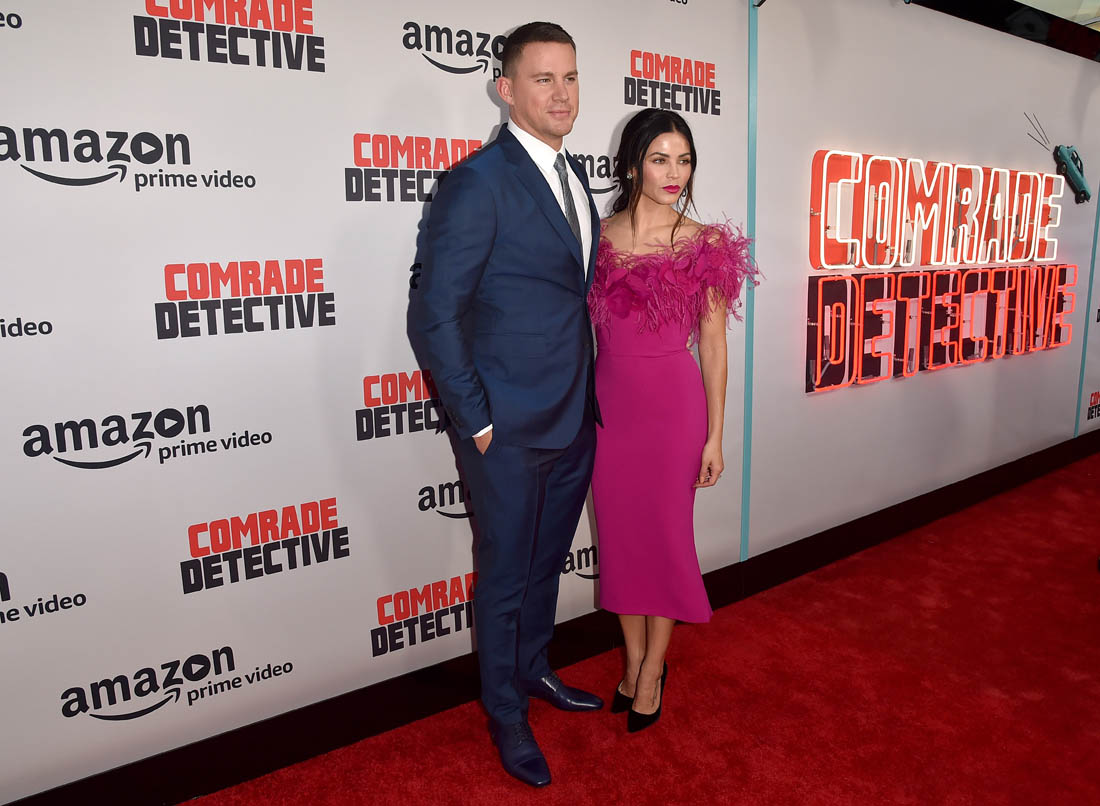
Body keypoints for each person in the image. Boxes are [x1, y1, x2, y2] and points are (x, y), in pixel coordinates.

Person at [407, 22, 602, 788]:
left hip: (573, 417)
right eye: (543, 78)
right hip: (508, 432)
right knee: (505, 578)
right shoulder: (478, 182)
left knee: (546, 565)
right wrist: (479, 423)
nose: (561, 93)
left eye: (570, 77)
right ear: (506, 89)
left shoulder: (573, 175)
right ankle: (506, 714)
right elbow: (434, 315)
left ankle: (533, 669)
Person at [587, 108, 756, 732]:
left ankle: (655, 667)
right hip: (610, 409)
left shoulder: (703, 243)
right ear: (632, 165)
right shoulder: (596, 237)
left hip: (674, 410)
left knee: (664, 539)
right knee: (622, 541)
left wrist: (715, 435)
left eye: (683, 160)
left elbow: (713, 345)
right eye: (660, 159)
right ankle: (632, 659)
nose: (674, 172)